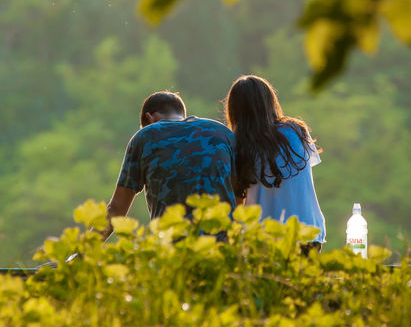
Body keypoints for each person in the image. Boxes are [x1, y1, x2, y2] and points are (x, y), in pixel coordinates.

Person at [101, 91, 237, 240]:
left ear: (149, 118)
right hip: (223, 249)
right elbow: (239, 196)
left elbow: (116, 209)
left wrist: (85, 250)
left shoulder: (145, 137)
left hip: (172, 251)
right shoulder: (222, 134)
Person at [224, 75, 326, 254]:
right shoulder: (296, 131)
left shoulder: (237, 146)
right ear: (270, 102)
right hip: (309, 232)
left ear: (235, 111)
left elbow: (238, 203)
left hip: (266, 239)